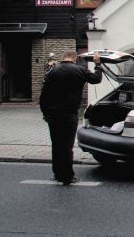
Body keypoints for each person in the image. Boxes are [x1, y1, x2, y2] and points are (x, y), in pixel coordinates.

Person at [39, 50, 102, 185]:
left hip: (53, 115)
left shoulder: (52, 72)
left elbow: (43, 96)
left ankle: (57, 174)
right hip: (70, 115)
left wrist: (45, 114)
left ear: (62, 58)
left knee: (56, 145)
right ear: (74, 59)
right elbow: (97, 79)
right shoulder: (80, 70)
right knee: (67, 146)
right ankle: (67, 177)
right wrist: (98, 64)